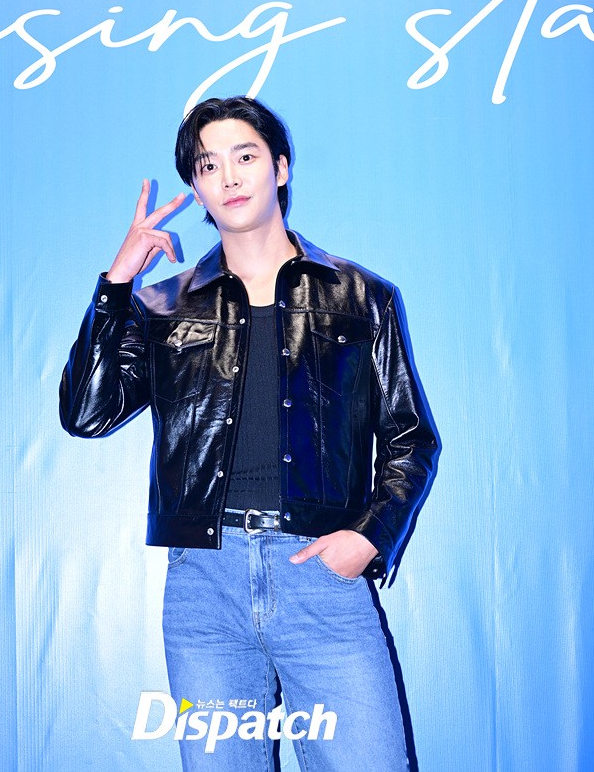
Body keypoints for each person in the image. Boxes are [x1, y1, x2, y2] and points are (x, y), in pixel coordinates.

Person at [60, 95, 440, 771]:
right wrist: (116, 284)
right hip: (205, 589)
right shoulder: (163, 304)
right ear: (196, 185)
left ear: (280, 168)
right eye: (209, 165)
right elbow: (87, 414)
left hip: (320, 579)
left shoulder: (361, 297)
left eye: (245, 156)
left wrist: (369, 536)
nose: (229, 176)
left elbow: (410, 438)